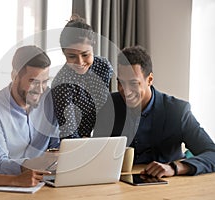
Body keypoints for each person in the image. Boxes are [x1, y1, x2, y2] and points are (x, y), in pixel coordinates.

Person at [111, 45, 215, 177]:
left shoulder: (178, 111)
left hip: (170, 187)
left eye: (133, 83)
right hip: (120, 186)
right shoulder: (109, 106)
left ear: (149, 80)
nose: (125, 91)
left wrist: (175, 167)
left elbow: (212, 153)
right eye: (121, 83)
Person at [0, 45, 59, 175]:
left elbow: (56, 145)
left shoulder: (50, 100)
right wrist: (38, 164)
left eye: (44, 82)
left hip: (43, 182)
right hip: (2, 187)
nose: (40, 89)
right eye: (33, 81)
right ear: (15, 75)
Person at [51, 15, 113, 138]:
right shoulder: (61, 84)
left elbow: (107, 107)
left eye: (85, 54)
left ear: (93, 46)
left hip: (100, 136)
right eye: (72, 56)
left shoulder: (103, 67)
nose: (80, 62)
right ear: (64, 53)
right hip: (70, 143)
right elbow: (69, 132)